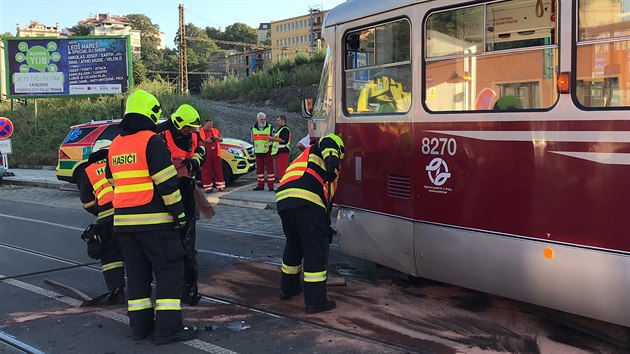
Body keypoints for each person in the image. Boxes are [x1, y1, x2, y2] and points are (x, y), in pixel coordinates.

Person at [108, 89, 198, 344]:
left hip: (124, 224)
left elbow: (113, 180)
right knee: (170, 271)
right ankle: (168, 330)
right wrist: (180, 216)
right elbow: (167, 184)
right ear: (151, 113)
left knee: (137, 276)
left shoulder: (116, 144)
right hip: (155, 222)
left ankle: (140, 328)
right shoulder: (151, 141)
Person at [275, 133, 345, 314]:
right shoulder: (328, 144)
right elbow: (329, 143)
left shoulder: (305, 158)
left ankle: (287, 289)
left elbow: (326, 200)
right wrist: (333, 167)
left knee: (294, 245)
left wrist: (325, 223)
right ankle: (316, 301)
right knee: (315, 249)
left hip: (284, 199)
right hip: (306, 199)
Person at [157, 104, 206, 306]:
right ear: (178, 123)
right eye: (188, 128)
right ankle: (173, 282)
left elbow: (201, 149)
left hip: (186, 188)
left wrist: (196, 160)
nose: (191, 132)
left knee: (188, 237)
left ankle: (188, 286)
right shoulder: (161, 135)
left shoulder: (192, 134)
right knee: (169, 237)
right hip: (166, 192)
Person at [77, 139, 125, 305]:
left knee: (111, 256)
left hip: (106, 217)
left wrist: (99, 210)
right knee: (134, 251)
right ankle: (141, 287)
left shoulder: (88, 171)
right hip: (129, 213)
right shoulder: (120, 160)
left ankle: (117, 291)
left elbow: (86, 202)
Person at [199, 118, 225, 193]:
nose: (209, 128)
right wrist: (205, 141)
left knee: (218, 170)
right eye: (208, 126)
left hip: (216, 154)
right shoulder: (200, 132)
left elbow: (221, 140)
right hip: (206, 154)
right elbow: (198, 141)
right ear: (204, 124)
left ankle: (220, 186)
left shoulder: (215, 131)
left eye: (210, 126)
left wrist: (217, 138)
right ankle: (208, 187)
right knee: (206, 171)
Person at [251, 112, 275, 191]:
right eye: (261, 119)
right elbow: (253, 140)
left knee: (270, 170)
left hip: (267, 151)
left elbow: (274, 139)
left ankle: (271, 186)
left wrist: (269, 146)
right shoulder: (253, 128)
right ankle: (260, 186)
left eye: (264, 119)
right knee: (259, 171)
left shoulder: (270, 127)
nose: (263, 121)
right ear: (257, 119)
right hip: (258, 152)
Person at [269, 115, 291, 181]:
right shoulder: (281, 129)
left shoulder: (285, 129)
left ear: (283, 121)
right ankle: (281, 185)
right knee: (279, 170)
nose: (277, 122)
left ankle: (282, 186)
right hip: (279, 152)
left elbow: (284, 140)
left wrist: (272, 138)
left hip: (283, 151)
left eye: (278, 120)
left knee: (282, 170)